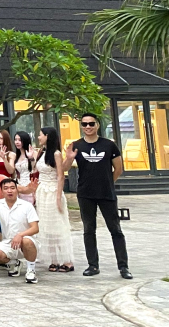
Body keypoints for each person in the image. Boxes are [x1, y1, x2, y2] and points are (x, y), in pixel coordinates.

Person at [64, 114, 130, 278]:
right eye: (84, 124)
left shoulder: (109, 145)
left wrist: (108, 183)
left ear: (97, 125)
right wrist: (69, 158)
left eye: (91, 123)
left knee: (115, 229)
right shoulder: (77, 145)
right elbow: (65, 168)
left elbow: (118, 169)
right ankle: (93, 265)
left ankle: (123, 267)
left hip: (106, 193)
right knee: (89, 230)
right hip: (85, 194)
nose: (88, 126)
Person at [0, 177, 40, 284]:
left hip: (28, 241)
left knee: (26, 241)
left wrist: (20, 235)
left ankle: (31, 270)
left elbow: (35, 228)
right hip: (9, 241)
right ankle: (15, 263)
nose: (9, 191)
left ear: (17, 190)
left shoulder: (26, 206)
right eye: (6, 188)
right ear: (1, 191)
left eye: (12, 188)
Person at [34, 126, 75, 272]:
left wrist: (58, 196)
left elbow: (60, 175)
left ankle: (67, 260)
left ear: (47, 136)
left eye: (41, 135)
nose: (38, 137)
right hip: (42, 191)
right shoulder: (41, 152)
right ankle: (54, 260)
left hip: (53, 191)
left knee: (58, 225)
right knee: (46, 226)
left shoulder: (56, 154)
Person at [11, 131, 36, 204]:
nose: (17, 142)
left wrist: (31, 158)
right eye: (15, 140)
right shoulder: (16, 156)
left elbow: (34, 168)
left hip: (30, 183)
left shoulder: (33, 153)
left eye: (19, 140)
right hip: (19, 185)